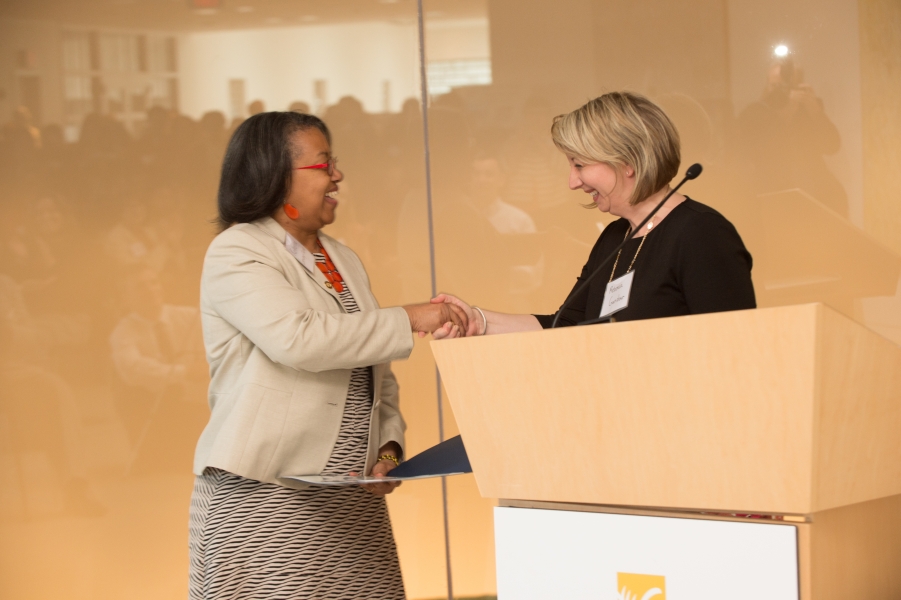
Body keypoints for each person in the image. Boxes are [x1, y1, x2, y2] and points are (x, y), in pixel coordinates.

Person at [188, 111, 467, 599]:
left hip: (349, 501)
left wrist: (387, 450)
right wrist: (412, 317)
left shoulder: (340, 257)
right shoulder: (237, 251)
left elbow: (375, 370)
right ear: (276, 176)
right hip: (267, 499)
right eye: (323, 165)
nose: (337, 174)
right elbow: (301, 340)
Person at [433, 91, 755, 337]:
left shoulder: (702, 235)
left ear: (627, 161)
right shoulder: (616, 237)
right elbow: (567, 325)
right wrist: (479, 320)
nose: (572, 182)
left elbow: (732, 349)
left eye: (580, 165)